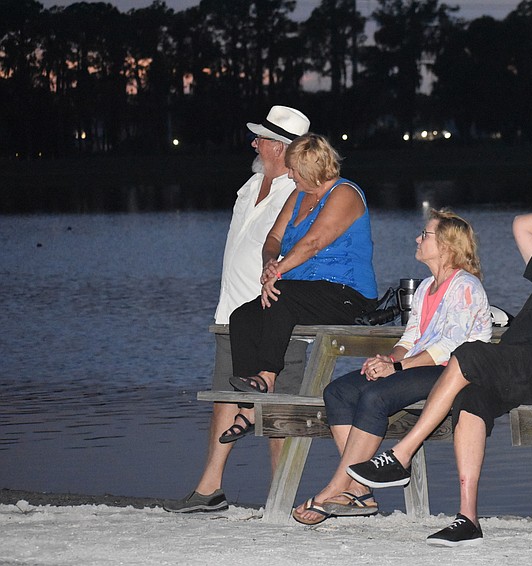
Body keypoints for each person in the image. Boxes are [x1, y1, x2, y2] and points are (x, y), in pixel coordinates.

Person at [347, 201, 532, 546]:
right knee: (470, 396)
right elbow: (522, 225)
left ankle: (401, 455)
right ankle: (468, 519)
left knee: (469, 353)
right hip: (517, 364)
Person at [292, 209, 493, 525]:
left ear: (446, 245)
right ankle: (360, 490)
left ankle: (335, 487)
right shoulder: (426, 287)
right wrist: (389, 360)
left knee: (376, 396)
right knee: (338, 392)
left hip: (454, 372)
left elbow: (448, 347)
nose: (417, 239)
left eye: (424, 235)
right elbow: (411, 337)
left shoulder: (465, 286)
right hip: (421, 366)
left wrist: (398, 369)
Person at [165, 105, 311, 513]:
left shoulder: (302, 193)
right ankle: (209, 490)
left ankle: (281, 499)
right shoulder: (249, 186)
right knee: (225, 396)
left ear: (279, 147)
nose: (254, 144)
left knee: (279, 406)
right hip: (232, 310)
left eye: (261, 138)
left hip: (276, 314)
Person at [224, 133, 379, 439]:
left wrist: (279, 273)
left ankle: (267, 377)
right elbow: (273, 238)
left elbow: (313, 242)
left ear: (309, 170)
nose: (290, 175)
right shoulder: (298, 195)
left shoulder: (345, 193)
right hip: (300, 293)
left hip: (347, 294)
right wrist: (270, 265)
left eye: (294, 170)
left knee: (283, 296)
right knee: (242, 317)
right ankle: (248, 409)